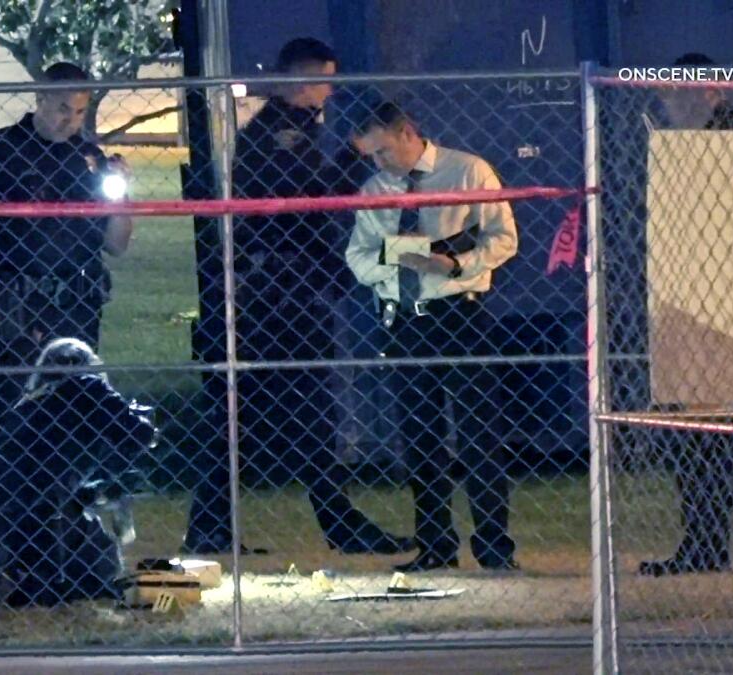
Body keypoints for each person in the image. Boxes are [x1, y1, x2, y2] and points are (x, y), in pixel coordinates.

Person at [183, 38, 409, 555]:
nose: (327, 91)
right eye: (319, 80)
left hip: (284, 290)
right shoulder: (278, 134)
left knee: (255, 415)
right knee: (294, 411)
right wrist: (356, 157)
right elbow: (310, 201)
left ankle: (219, 527)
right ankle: (330, 523)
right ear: (294, 80)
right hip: (278, 297)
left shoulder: (299, 129)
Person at [636, 53, 733, 577]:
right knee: (698, 439)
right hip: (695, 313)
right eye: (669, 95)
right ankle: (705, 544)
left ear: (712, 92)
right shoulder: (680, 148)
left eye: (682, 93)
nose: (672, 104)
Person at [345, 102, 521, 572]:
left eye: (383, 151)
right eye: (371, 156)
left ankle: (494, 546)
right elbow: (358, 260)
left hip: (460, 314)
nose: (379, 164)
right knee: (420, 438)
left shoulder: (468, 172)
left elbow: (504, 238)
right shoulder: (374, 190)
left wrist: (457, 263)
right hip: (405, 319)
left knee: (479, 436)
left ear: (407, 132)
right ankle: (436, 544)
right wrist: (405, 254)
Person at [0, 62, 134, 426]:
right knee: (18, 417)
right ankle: (14, 482)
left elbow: (117, 245)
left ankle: (77, 482)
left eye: (81, 111)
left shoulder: (90, 160)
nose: (72, 121)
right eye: (63, 109)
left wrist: (120, 196)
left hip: (79, 304)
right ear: (40, 98)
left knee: (78, 416)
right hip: (19, 302)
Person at [0, 337, 159, 610]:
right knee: (102, 560)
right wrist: (138, 417)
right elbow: (139, 434)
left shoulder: (29, 403)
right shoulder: (87, 387)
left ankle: (16, 579)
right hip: (45, 506)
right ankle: (43, 583)